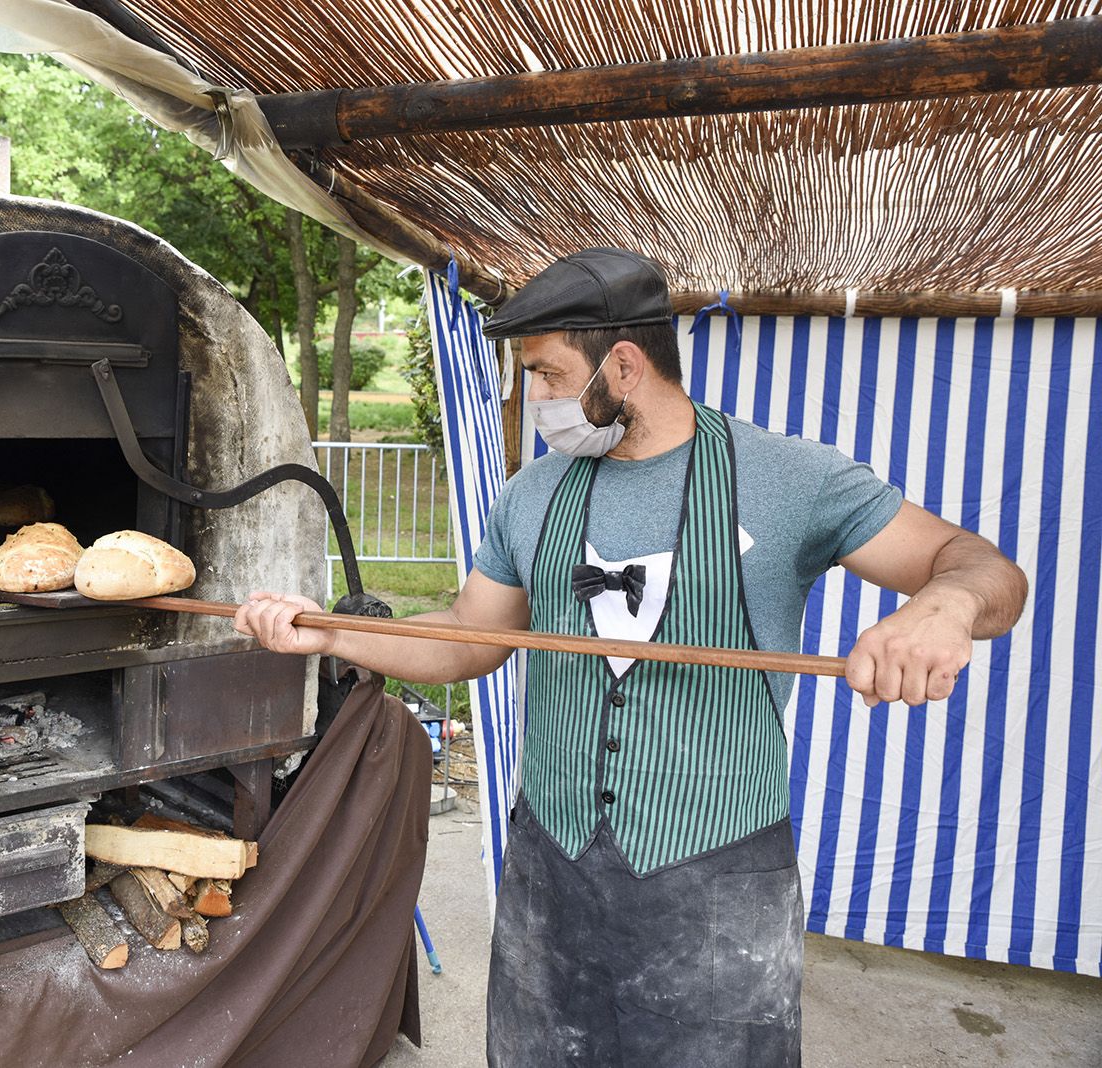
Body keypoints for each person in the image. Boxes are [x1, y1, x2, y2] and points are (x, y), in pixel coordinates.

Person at [233, 248, 1028, 1067]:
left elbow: (984, 566)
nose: (533, 397)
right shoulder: (535, 492)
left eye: (545, 374)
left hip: (719, 875)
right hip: (550, 860)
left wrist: (944, 606)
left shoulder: (790, 477)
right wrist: (329, 633)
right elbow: (472, 633)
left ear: (623, 364)